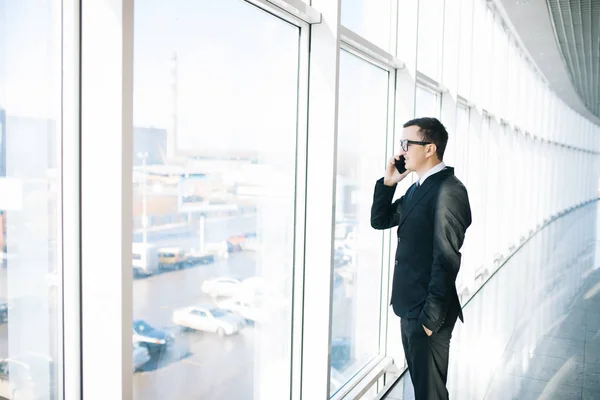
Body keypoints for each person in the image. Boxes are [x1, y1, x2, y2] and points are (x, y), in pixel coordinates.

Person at [370, 117, 472, 400]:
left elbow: (447, 259)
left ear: (430, 148)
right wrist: (389, 182)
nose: (401, 151)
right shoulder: (418, 188)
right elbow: (380, 220)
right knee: (423, 391)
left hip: (427, 314)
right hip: (410, 307)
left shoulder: (449, 191)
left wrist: (429, 320)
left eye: (407, 143)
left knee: (431, 394)